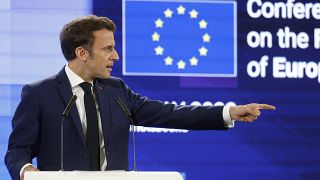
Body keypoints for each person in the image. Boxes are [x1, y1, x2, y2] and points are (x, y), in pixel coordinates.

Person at [4, 15, 276, 180]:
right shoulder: (40, 94)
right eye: (107, 49)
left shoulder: (116, 91)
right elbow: (17, 150)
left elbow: (170, 113)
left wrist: (227, 112)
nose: (115, 56)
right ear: (82, 53)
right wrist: (27, 171)